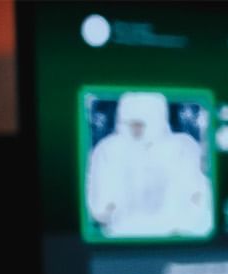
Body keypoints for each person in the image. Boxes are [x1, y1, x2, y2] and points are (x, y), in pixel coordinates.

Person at [84, 91, 213, 239]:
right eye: (130, 124)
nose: (136, 130)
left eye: (141, 124)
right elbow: (99, 207)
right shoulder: (109, 150)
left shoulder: (182, 148)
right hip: (123, 239)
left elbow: (199, 198)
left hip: (175, 238)